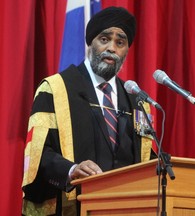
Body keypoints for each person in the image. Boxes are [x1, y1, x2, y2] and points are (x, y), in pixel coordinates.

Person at [22, 6, 155, 215]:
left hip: (126, 208)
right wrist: (71, 170)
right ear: (90, 43)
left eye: (120, 42)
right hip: (73, 208)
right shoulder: (55, 89)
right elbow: (39, 154)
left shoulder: (136, 100)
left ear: (127, 50)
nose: (111, 48)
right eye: (104, 39)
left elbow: (146, 160)